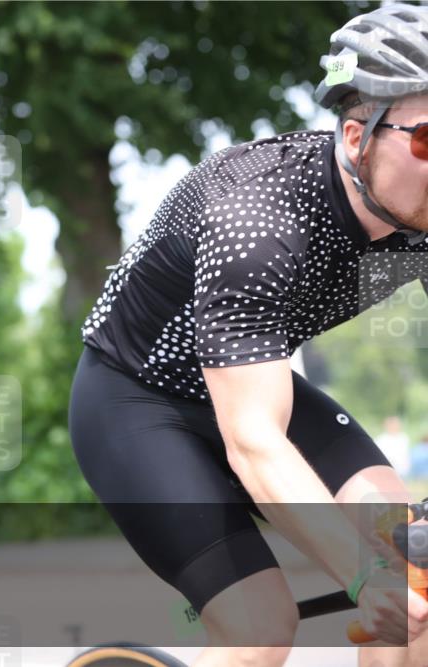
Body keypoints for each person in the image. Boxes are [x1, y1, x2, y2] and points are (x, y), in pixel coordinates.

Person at [69, 6, 428, 666]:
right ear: (357, 137)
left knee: (414, 580)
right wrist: (357, 570)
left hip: (249, 386)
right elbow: (254, 440)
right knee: (261, 622)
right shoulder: (259, 221)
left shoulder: (419, 222)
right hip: (138, 403)